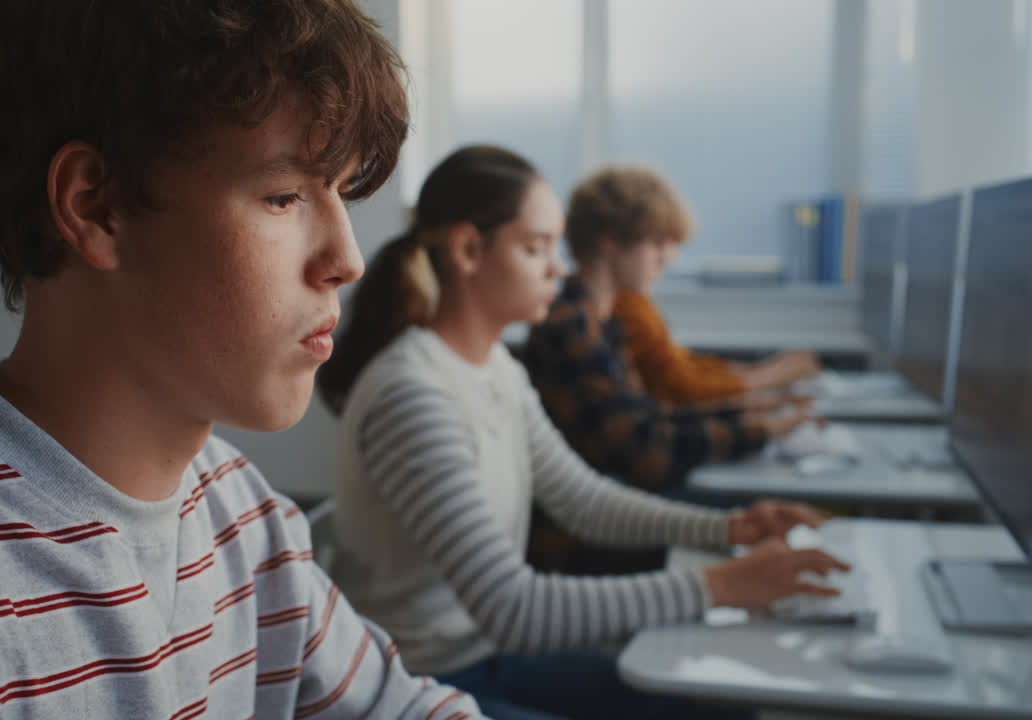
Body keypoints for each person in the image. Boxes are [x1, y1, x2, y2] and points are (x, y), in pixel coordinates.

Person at [0, 2, 485, 717]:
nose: (347, 260)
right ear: (96, 207)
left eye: (343, 194)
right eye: (285, 196)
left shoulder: (241, 513)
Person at [318, 145, 848, 720]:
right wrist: (718, 585)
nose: (558, 269)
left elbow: (584, 500)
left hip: (483, 660)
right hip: (413, 685)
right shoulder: (413, 394)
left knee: (712, 709)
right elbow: (512, 606)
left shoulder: (496, 369)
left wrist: (728, 527)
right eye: (535, 247)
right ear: (469, 250)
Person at [522, 167, 819, 495]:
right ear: (611, 241)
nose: (668, 259)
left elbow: (647, 417)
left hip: (611, 494)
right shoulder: (574, 324)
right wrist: (757, 431)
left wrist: (746, 414)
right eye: (656, 243)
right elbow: (644, 454)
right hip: (591, 516)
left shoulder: (601, 318)